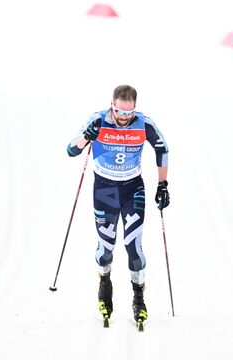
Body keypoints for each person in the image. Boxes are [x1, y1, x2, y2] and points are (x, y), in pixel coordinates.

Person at [67, 85, 170, 325]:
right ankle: (105, 284)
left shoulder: (143, 124)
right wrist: (87, 137)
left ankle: (138, 298)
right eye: (119, 112)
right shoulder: (98, 120)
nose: (124, 118)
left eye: (129, 113)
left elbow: (162, 149)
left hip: (132, 189)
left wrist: (162, 184)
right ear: (111, 105)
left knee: (133, 247)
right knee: (106, 249)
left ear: (135, 108)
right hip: (104, 189)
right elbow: (71, 150)